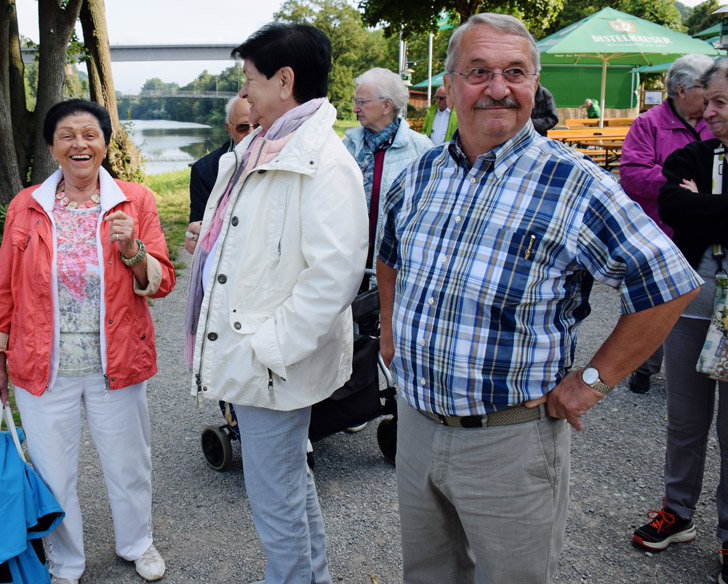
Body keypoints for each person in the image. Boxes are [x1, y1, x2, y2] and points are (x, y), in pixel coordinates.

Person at [376, 13, 702, 583]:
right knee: (426, 575)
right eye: (479, 72)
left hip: (511, 440)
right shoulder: (420, 174)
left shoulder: (574, 182)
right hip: (417, 425)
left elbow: (668, 284)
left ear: (534, 84)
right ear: (450, 85)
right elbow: (390, 253)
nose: (498, 88)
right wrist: (388, 326)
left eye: (515, 72)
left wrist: (591, 383)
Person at [184, 23, 367, 584]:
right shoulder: (264, 144)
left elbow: (333, 275)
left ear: (284, 81)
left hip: (268, 362)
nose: (244, 93)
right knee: (288, 483)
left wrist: (268, 349)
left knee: (274, 496)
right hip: (258, 356)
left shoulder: (322, 161)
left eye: (250, 80)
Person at [0, 99, 176, 584]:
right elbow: (4, 287)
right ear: (52, 147)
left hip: (117, 360)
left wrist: (133, 250)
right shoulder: (26, 206)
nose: (79, 145)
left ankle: (137, 543)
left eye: (90, 134)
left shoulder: (135, 200)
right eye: (67, 135)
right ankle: (66, 561)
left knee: (128, 464)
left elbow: (163, 281)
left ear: (105, 144)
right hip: (42, 364)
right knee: (54, 472)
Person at [633, 57, 728, 584]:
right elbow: (671, 205)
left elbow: (691, 209)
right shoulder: (696, 154)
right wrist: (715, 207)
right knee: (686, 418)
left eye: (719, 103)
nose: (707, 113)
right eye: (706, 101)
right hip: (691, 300)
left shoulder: (698, 160)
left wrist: (704, 205)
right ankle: (678, 512)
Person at [620, 53, 715, 394]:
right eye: (705, 88)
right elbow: (632, 175)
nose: (710, 98)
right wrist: (681, 182)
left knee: (699, 304)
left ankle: (698, 366)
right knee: (654, 302)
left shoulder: (714, 121)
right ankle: (644, 365)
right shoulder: (649, 123)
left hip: (704, 236)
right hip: (660, 232)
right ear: (682, 90)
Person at [343, 67, 433, 287]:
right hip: (346, 266)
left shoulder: (420, 150)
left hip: (392, 272)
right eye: (356, 101)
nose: (355, 108)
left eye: (362, 102)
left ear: (387, 106)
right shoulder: (346, 147)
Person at [185, 95, 255, 241]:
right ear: (230, 130)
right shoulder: (203, 171)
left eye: (258, 126)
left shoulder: (280, 162)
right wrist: (194, 236)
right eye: (243, 127)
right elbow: (198, 227)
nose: (252, 133)